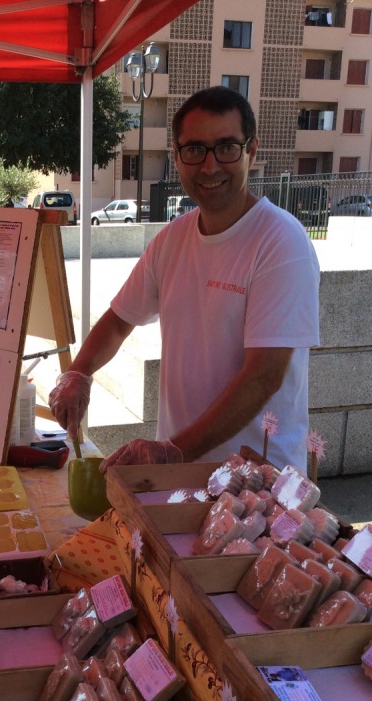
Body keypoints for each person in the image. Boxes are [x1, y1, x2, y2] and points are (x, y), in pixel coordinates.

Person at [49, 86, 320, 473]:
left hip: (258, 487)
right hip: (181, 478)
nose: (210, 167)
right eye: (194, 150)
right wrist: (78, 372)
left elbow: (263, 376)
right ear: (177, 157)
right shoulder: (172, 240)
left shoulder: (281, 242)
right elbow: (118, 321)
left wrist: (174, 451)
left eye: (226, 147)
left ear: (252, 151)